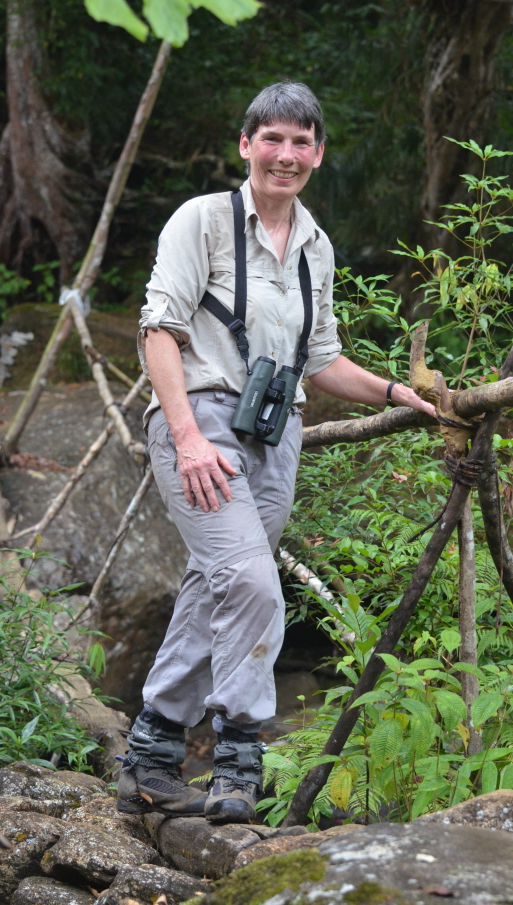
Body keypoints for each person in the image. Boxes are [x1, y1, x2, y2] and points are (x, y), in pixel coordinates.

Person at [117, 81, 435, 824]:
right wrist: (188, 436)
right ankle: (238, 762)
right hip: (201, 424)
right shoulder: (202, 221)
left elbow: (321, 360)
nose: (285, 155)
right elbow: (158, 329)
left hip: (274, 436)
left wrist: (396, 391)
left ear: (318, 154)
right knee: (255, 584)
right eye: (273, 139)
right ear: (246, 144)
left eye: (301, 142)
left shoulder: (315, 245)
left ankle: (150, 759)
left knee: (216, 585)